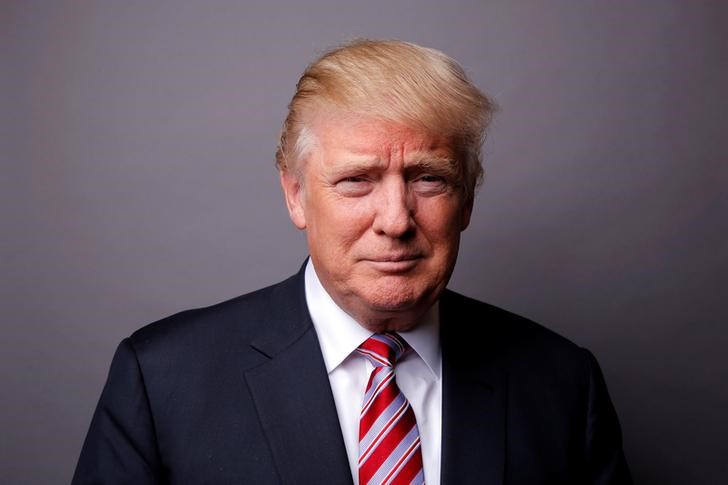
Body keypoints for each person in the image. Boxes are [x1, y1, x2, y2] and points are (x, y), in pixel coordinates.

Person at [73, 39, 632, 485]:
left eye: (428, 178)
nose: (395, 219)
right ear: (295, 196)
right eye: (356, 181)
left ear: (468, 199)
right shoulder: (163, 378)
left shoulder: (561, 381)